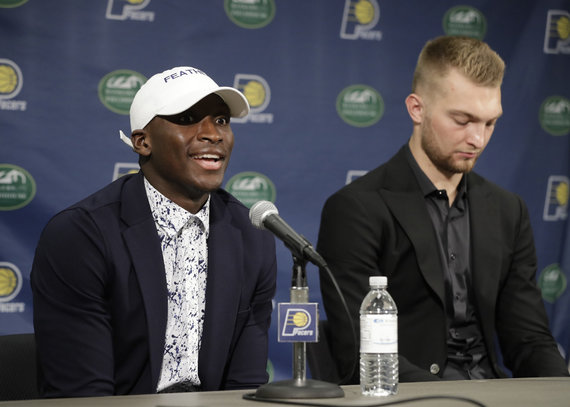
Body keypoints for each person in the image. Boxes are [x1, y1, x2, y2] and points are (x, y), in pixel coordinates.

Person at [317, 36, 569, 383]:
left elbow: (529, 339)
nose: (478, 139)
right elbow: (361, 353)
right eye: (463, 120)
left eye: (489, 122)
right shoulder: (355, 209)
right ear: (417, 109)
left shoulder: (509, 211)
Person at [31, 66, 277, 397]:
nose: (213, 134)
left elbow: (244, 387)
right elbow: (84, 395)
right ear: (142, 142)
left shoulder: (252, 236)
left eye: (221, 120)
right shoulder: (81, 235)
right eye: (189, 118)